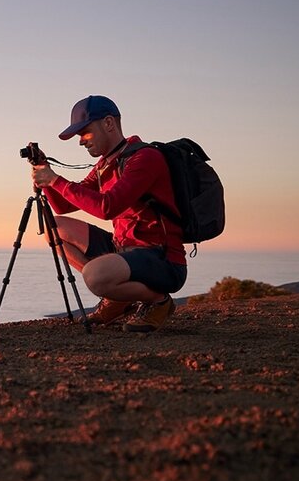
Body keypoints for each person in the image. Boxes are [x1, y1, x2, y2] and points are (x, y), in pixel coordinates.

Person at [29, 95, 187, 332]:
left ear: (109, 123)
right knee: (54, 228)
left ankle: (159, 301)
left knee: (95, 276)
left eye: (85, 132)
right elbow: (63, 206)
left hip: (161, 257)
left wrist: (55, 180)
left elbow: (107, 207)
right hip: (123, 249)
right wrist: (46, 178)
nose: (81, 141)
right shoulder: (105, 165)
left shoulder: (145, 158)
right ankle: (116, 296)